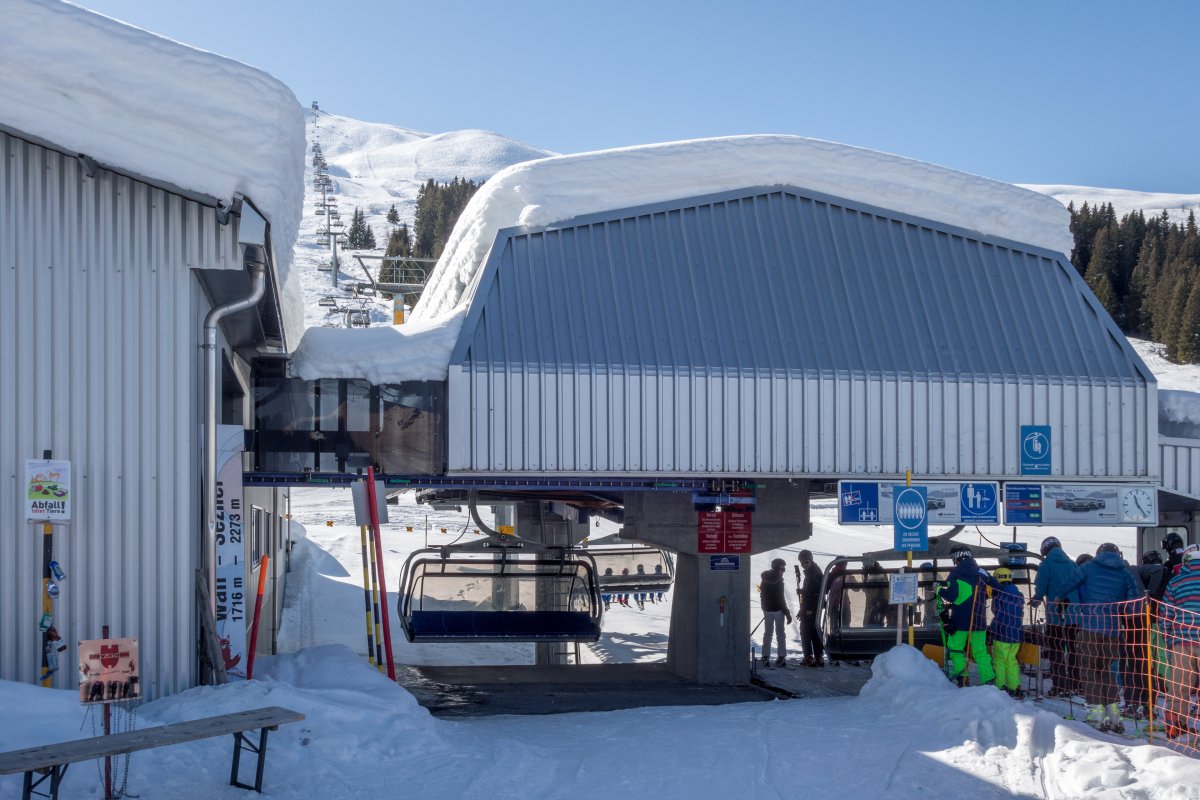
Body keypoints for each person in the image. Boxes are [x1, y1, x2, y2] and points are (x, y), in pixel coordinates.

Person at [1053, 543, 1145, 734]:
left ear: (1099, 553)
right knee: (1106, 671)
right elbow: (1134, 606)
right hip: (1112, 631)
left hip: (1090, 627)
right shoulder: (1125, 573)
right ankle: (1114, 716)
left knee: (1089, 669)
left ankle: (1096, 715)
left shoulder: (1089, 567)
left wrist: (1058, 597)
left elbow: (1069, 582)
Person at [938, 546, 1002, 687]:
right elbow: (998, 589)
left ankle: (962, 677)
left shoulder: (955, 573)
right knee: (980, 651)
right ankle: (988, 678)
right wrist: (984, 596)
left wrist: (940, 591)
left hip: (959, 620)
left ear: (957, 557)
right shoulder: (982, 572)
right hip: (979, 620)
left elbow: (952, 596)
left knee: (955, 648)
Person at [1030, 536, 1080, 696]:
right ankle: (1076, 683)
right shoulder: (1073, 564)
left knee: (1056, 650)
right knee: (1073, 650)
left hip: (1055, 616)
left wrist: (1037, 599)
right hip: (1074, 615)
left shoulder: (1046, 564)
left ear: (1045, 550)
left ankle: (1060, 685)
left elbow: (1041, 588)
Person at [1162, 545, 1200, 739]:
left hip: (1181, 641)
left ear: (1186, 561)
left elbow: (1166, 615)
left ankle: (1175, 726)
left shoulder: (1176, 582)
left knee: (1179, 686)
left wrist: (1167, 640)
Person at [990, 567, 1025, 698]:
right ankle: (1015, 687)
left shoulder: (998, 594)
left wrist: (992, 630)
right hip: (1016, 634)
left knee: (999, 660)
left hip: (1002, 633)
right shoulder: (1019, 595)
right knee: (1011, 660)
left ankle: (1000, 687)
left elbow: (998, 614)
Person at [759, 558, 792, 667]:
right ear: (777, 568)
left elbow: (762, 593)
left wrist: (764, 606)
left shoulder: (764, 578)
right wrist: (787, 613)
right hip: (778, 610)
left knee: (768, 633)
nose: (784, 571)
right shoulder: (779, 581)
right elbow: (781, 599)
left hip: (767, 610)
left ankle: (765, 656)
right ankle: (781, 656)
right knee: (780, 634)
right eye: (782, 568)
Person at [797, 550, 825, 667]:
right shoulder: (811, 573)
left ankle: (809, 657)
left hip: (812, 608)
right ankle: (818, 657)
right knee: (813, 632)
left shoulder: (815, 574)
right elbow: (811, 591)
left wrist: (811, 609)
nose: (804, 564)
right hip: (810, 607)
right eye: (802, 563)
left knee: (806, 632)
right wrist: (802, 591)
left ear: (811, 560)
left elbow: (819, 593)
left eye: (806, 562)